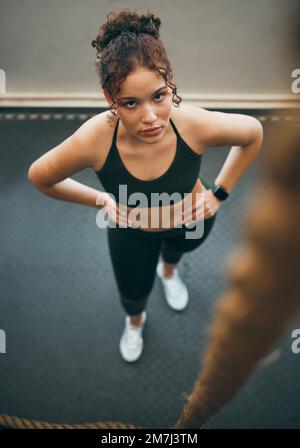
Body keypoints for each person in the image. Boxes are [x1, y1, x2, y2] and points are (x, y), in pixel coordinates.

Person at [27, 9, 263, 363]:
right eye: (131, 103)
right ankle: (135, 323)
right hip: (131, 233)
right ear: (110, 100)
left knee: (174, 256)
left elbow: (253, 134)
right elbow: (40, 176)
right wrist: (101, 201)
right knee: (133, 292)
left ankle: (169, 274)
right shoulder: (94, 138)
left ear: (171, 85)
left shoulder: (194, 123)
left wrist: (220, 193)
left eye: (159, 96)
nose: (150, 117)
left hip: (192, 220)